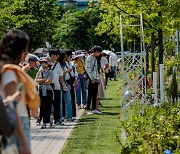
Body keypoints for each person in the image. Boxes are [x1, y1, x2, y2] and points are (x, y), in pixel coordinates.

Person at [0, 29, 40, 154]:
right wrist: (23, 143)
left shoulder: (7, 69)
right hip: (17, 123)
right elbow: (11, 107)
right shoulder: (10, 72)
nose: (26, 53)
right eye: (25, 49)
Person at [35, 58, 54, 129]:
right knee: (41, 106)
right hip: (40, 90)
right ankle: (43, 119)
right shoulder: (39, 71)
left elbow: (48, 82)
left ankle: (45, 122)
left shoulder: (50, 72)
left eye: (45, 62)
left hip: (48, 90)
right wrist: (42, 80)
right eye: (42, 62)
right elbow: (35, 79)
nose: (43, 63)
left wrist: (40, 81)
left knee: (47, 106)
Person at [48, 49, 65, 125]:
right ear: (52, 55)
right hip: (48, 87)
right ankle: (47, 118)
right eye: (57, 55)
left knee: (57, 104)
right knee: (48, 104)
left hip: (57, 87)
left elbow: (61, 76)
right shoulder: (45, 63)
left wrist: (63, 85)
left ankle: (57, 119)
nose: (58, 57)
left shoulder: (58, 64)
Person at [85, 46, 102, 114]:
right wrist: (91, 78)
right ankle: (88, 109)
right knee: (90, 94)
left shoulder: (95, 58)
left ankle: (94, 108)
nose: (99, 54)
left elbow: (96, 69)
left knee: (95, 94)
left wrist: (98, 79)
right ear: (96, 52)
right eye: (99, 53)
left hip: (96, 78)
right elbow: (88, 69)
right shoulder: (89, 58)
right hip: (91, 78)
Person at [65, 49, 78, 118]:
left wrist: (76, 78)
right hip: (66, 81)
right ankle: (67, 114)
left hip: (72, 80)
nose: (70, 58)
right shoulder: (63, 64)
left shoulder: (71, 63)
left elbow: (75, 72)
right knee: (67, 99)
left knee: (72, 97)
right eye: (70, 56)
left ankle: (73, 114)